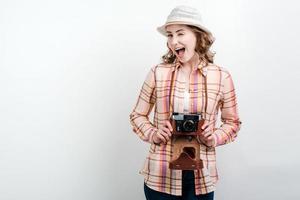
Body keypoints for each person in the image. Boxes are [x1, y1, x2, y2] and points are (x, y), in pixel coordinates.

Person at [129, 5, 242, 200]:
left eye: (180, 33)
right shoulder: (158, 73)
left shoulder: (221, 76)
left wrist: (213, 137)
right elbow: (137, 115)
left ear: (198, 36)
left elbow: (233, 123)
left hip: (200, 178)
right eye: (170, 35)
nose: (174, 41)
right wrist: (154, 133)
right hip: (160, 177)